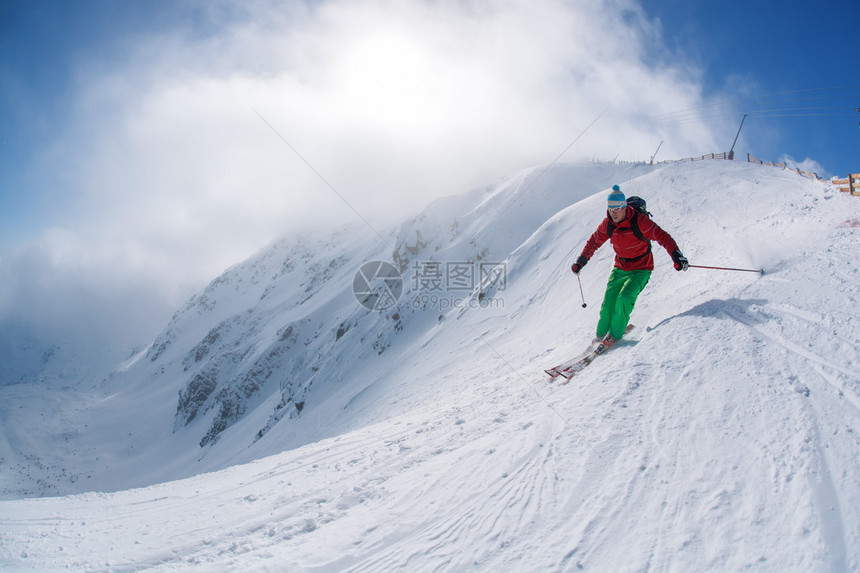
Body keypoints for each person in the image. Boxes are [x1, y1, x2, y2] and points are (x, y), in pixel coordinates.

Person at [571, 184, 688, 354]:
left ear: (624, 207)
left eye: (617, 208)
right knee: (608, 304)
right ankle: (601, 335)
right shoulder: (608, 223)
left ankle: (615, 335)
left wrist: (676, 255)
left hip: (641, 268)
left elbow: (662, 236)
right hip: (620, 267)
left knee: (624, 298)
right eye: (610, 209)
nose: (614, 213)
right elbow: (594, 241)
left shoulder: (639, 221)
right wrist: (581, 261)